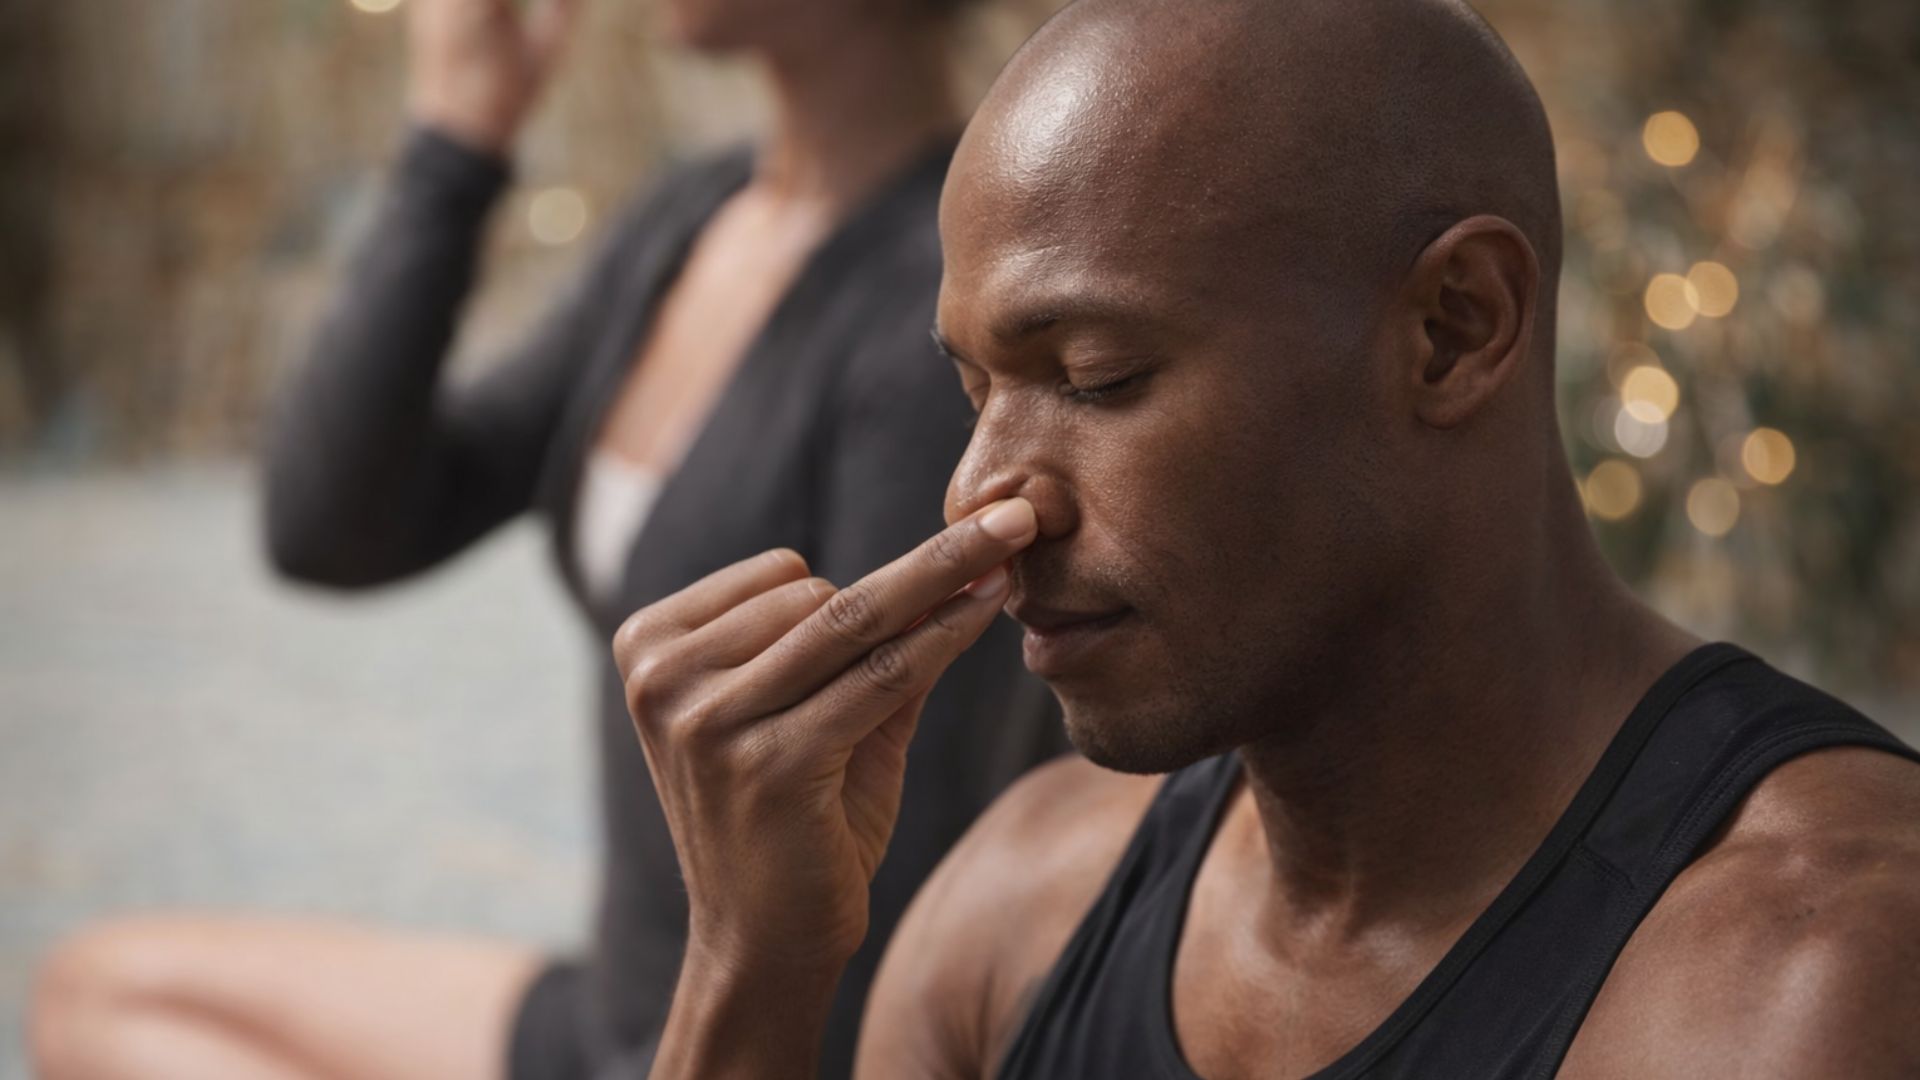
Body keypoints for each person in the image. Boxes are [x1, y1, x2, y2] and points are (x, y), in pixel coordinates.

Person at [596, 0, 1920, 1076]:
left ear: (1455, 328)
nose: (981, 495)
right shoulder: (1015, 916)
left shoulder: (1810, 979)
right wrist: (747, 978)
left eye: (1099, 377)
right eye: (975, 390)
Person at [28, 0, 1063, 1077]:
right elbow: (333, 525)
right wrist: (457, 135)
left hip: (752, 1034)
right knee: (98, 996)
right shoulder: (693, 219)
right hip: (631, 1003)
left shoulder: (939, 308)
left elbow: (911, 876)